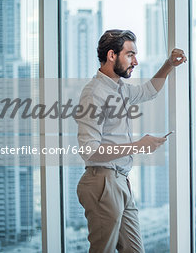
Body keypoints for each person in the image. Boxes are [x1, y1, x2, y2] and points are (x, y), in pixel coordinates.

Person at [75, 29, 186, 253]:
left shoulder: (120, 89)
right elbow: (89, 150)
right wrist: (138, 146)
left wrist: (168, 65)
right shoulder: (94, 93)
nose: (135, 61)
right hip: (102, 183)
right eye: (130, 54)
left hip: (119, 181)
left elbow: (149, 91)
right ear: (111, 55)